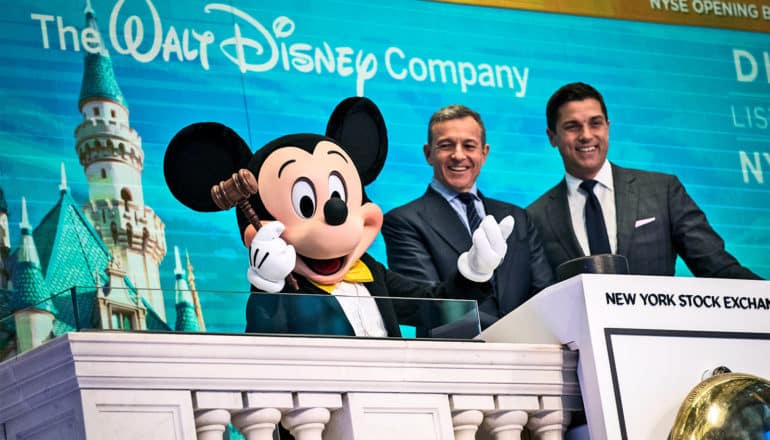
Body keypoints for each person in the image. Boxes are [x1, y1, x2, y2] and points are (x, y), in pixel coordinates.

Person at [527, 82, 761, 280]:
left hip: (657, 333)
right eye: (572, 126)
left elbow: (718, 268)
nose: (586, 135)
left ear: (607, 128)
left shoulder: (663, 191)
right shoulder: (534, 218)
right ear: (552, 137)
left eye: (595, 123)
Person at [382, 104, 555, 329]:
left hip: (527, 354)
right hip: (456, 356)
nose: (458, 155)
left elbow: (543, 292)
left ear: (484, 153)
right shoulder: (403, 221)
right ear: (428, 154)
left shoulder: (518, 217)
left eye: (469, 145)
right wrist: (503, 334)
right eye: (446, 145)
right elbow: (428, 305)